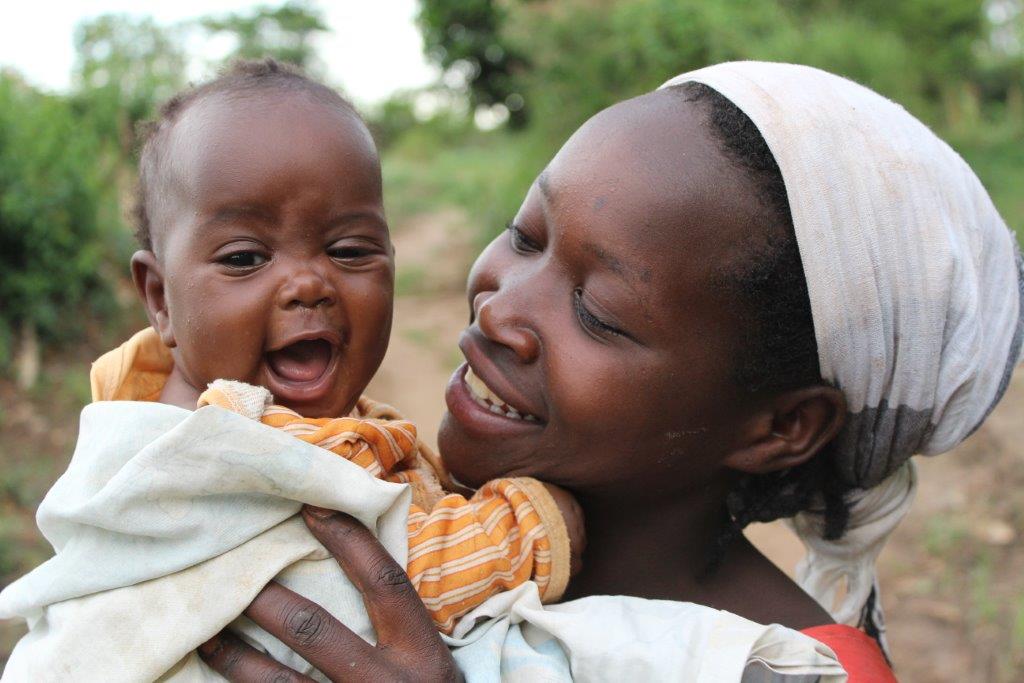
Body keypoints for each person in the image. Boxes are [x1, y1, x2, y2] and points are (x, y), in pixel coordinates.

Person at [199, 62, 1022, 681]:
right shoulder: (424, 526)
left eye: (597, 312)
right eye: (525, 235)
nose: (500, 309)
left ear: (783, 425)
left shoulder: (780, 669)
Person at [0, 59, 585, 678]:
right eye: (246, 257)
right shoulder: (231, 449)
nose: (308, 283)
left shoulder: (153, 395)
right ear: (161, 298)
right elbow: (421, 572)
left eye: (349, 251)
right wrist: (541, 520)